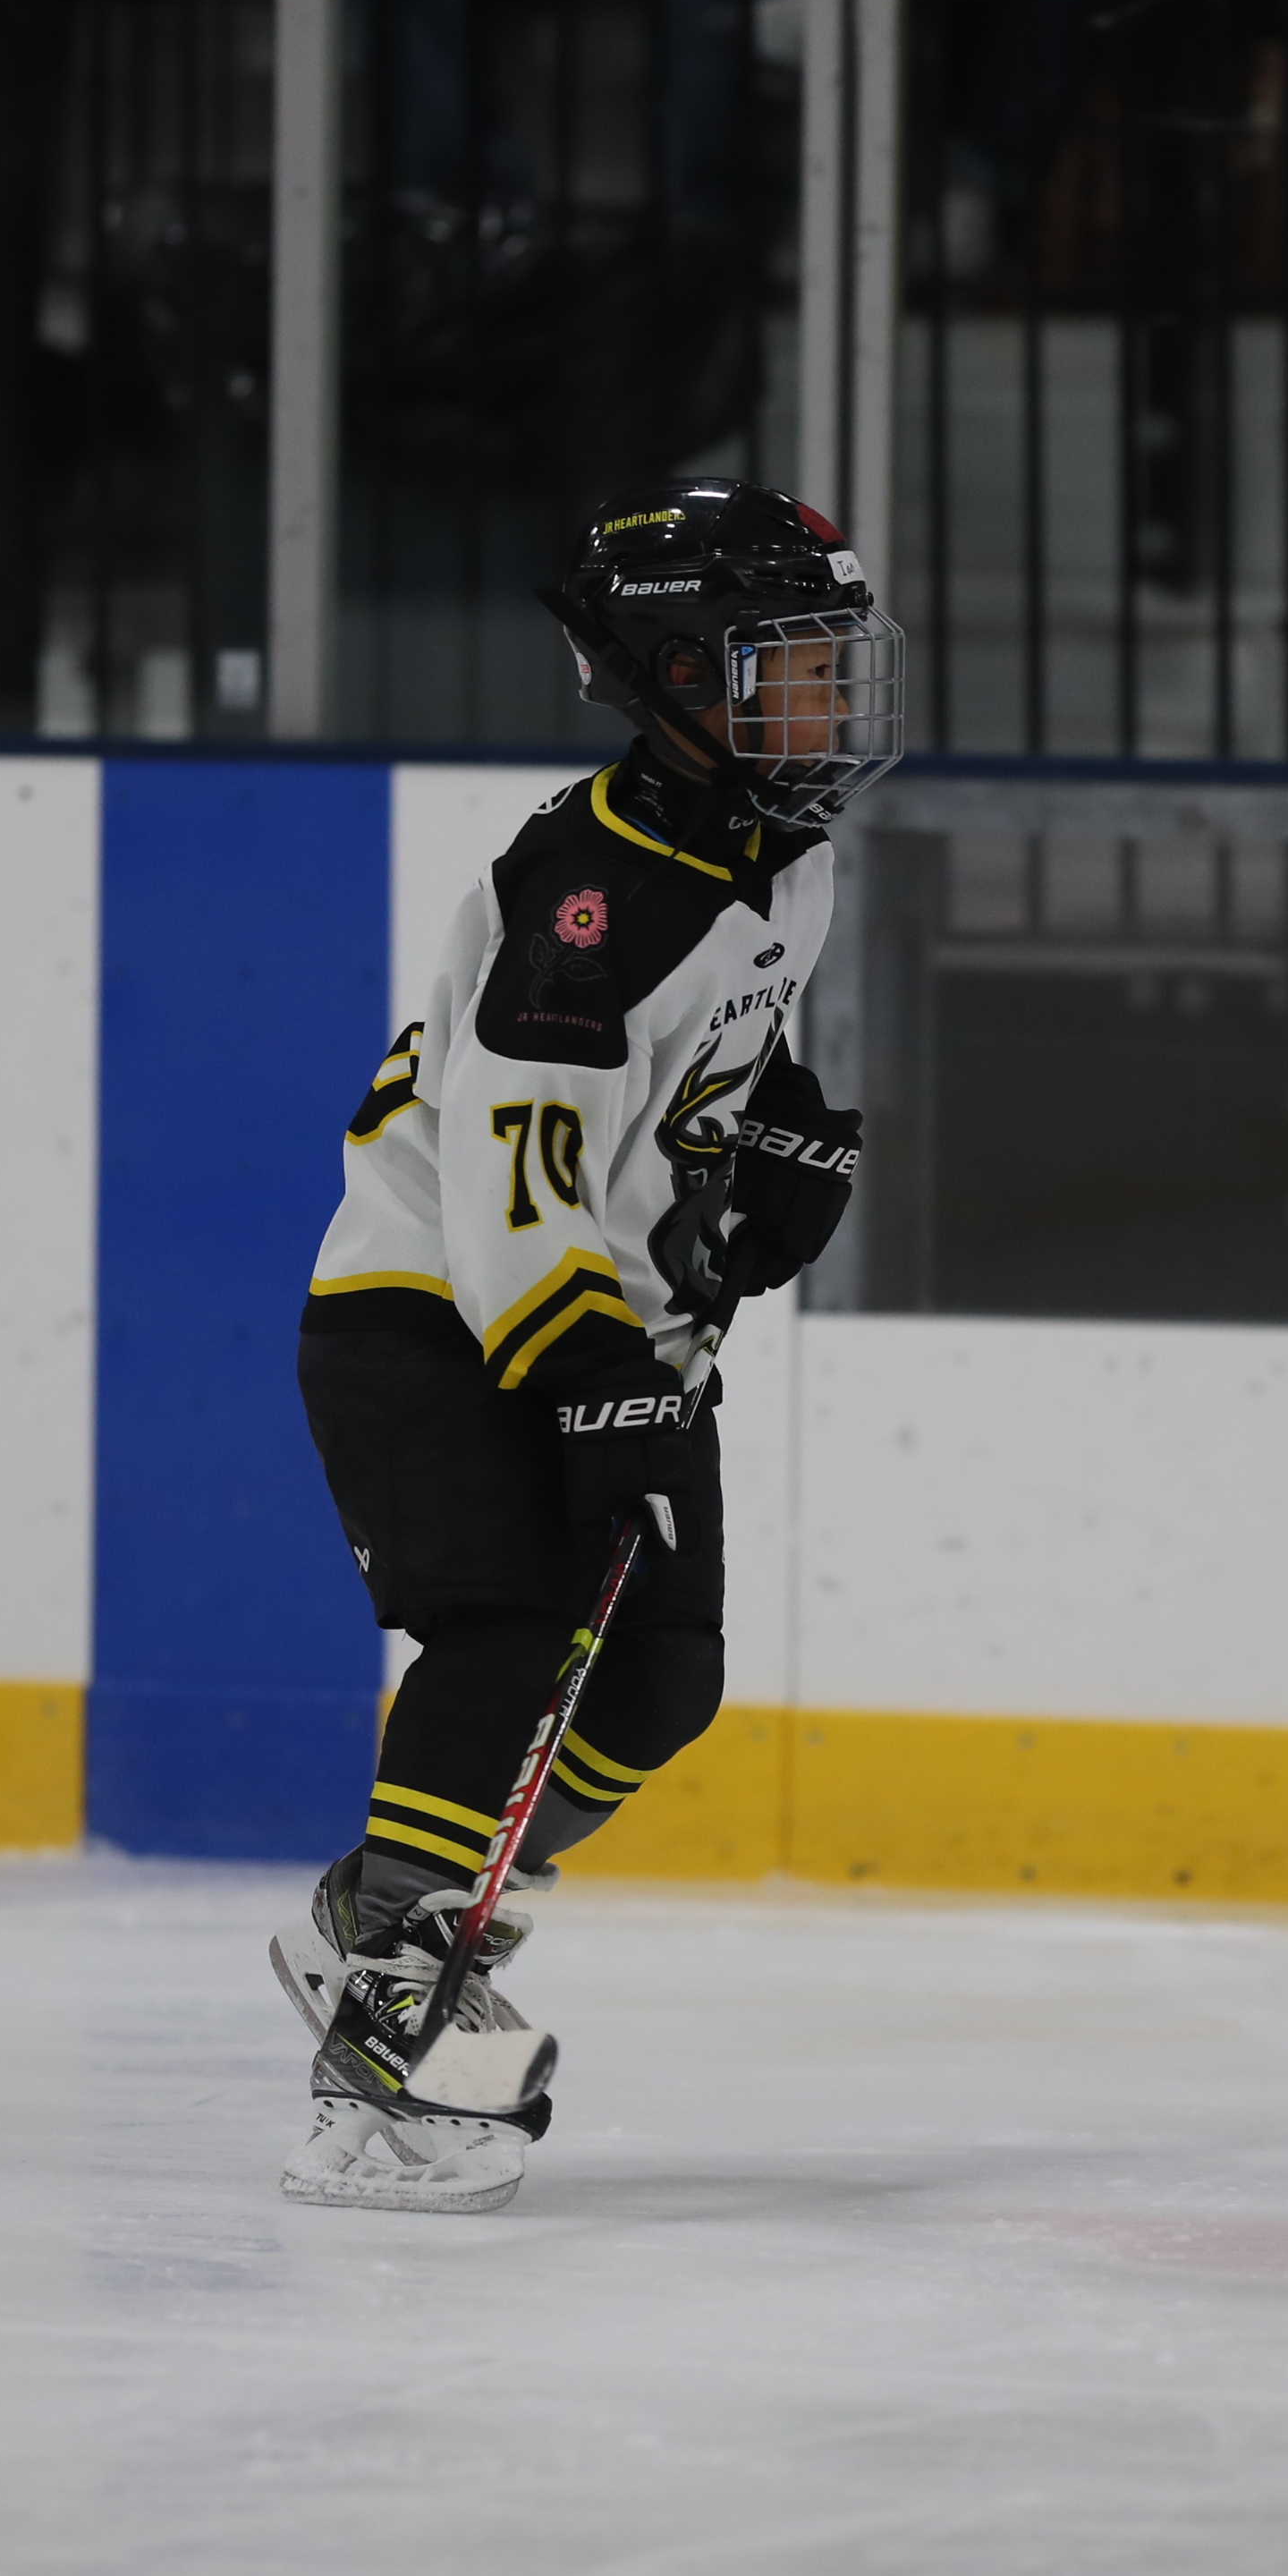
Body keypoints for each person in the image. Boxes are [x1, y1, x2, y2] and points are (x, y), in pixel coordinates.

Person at [271, 480, 904, 2212]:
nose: (829, 699)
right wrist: (590, 1382)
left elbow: (709, 1057)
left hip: (605, 1328)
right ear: (680, 676)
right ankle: (397, 1999)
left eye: (833, 662)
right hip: (441, 1314)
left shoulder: (782, 852)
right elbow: (513, 1172)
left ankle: (375, 1915)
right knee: (512, 1633)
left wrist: (773, 1139)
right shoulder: (593, 896)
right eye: (791, 667)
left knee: (657, 1684)